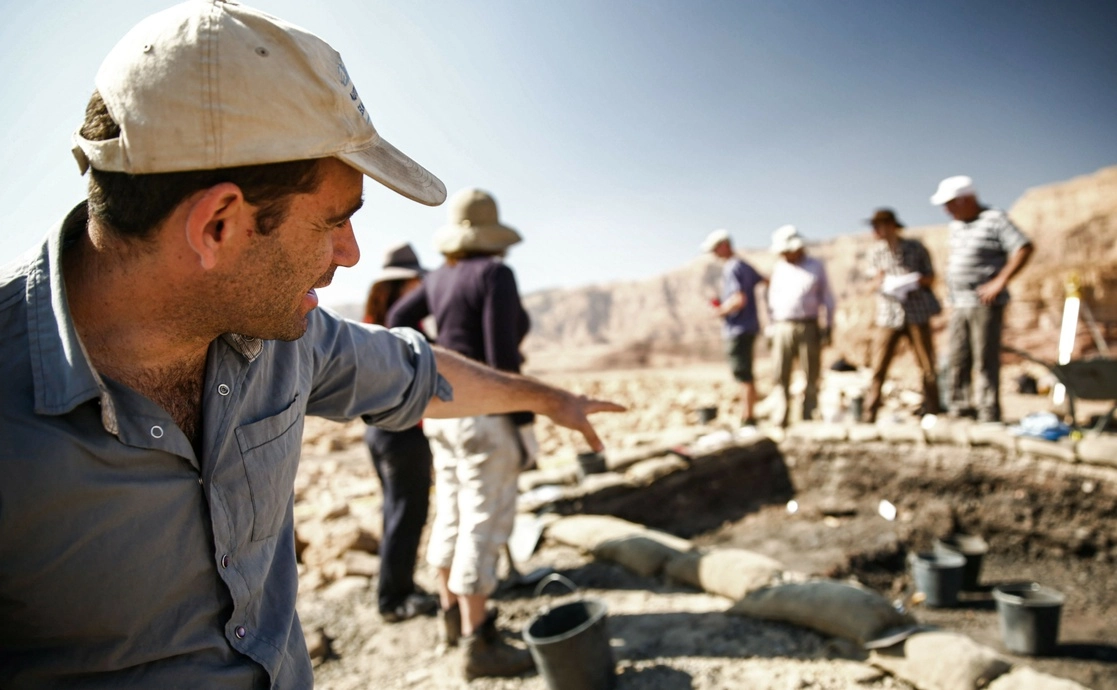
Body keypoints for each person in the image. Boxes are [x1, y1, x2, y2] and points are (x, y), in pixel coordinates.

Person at [0, 4, 622, 689]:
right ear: (217, 225)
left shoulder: (282, 339)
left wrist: (551, 399)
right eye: (333, 222)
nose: (349, 255)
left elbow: (416, 372)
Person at [390, 187, 538, 680]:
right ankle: (480, 641)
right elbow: (501, 353)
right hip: (485, 413)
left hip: (441, 411)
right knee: (482, 516)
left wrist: (432, 359)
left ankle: (450, 617)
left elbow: (396, 321)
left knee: (451, 508)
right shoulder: (496, 274)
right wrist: (523, 418)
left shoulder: (438, 279)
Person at [361, 243, 439, 623]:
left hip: (381, 432)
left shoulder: (374, 319)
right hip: (402, 432)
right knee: (408, 512)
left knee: (397, 510)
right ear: (406, 282)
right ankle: (394, 600)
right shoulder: (402, 325)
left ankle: (397, 588)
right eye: (416, 281)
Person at [931, 175, 1033, 422]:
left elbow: (1023, 247)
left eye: (951, 203)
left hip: (984, 303)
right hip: (960, 303)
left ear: (967, 199)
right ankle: (960, 408)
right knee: (957, 356)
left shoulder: (994, 219)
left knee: (984, 357)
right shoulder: (956, 227)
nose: (946, 210)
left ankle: (988, 412)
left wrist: (999, 281)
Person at [861, 209, 942, 422]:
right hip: (888, 315)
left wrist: (912, 280)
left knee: (926, 364)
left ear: (891, 225)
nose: (875, 231)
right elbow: (869, 284)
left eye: (878, 226)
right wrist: (880, 282)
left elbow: (930, 277)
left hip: (916, 312)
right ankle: (869, 414)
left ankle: (933, 410)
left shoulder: (915, 248)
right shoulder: (875, 253)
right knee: (878, 366)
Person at [765, 224, 836, 426]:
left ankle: (809, 414)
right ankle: (781, 414)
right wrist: (770, 328)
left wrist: (828, 327)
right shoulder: (779, 267)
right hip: (782, 325)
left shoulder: (815, 266)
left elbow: (828, 299)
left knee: (810, 372)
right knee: (780, 372)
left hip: (808, 325)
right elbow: (771, 300)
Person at [701, 228, 767, 426]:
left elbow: (739, 299)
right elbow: (765, 281)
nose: (714, 254)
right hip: (749, 327)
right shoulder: (745, 265)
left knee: (742, 374)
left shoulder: (732, 267)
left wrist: (721, 310)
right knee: (746, 372)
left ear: (724, 246)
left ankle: (748, 417)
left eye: (715, 249)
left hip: (738, 329)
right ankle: (749, 414)